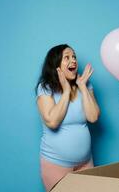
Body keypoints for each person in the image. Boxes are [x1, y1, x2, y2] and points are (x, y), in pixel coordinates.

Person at [35, 44, 100, 191]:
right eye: (67, 57)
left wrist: (82, 86)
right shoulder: (45, 87)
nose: (74, 61)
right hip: (56, 164)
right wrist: (65, 91)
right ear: (56, 65)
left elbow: (93, 117)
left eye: (74, 57)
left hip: (86, 163)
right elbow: (52, 121)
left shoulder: (85, 84)